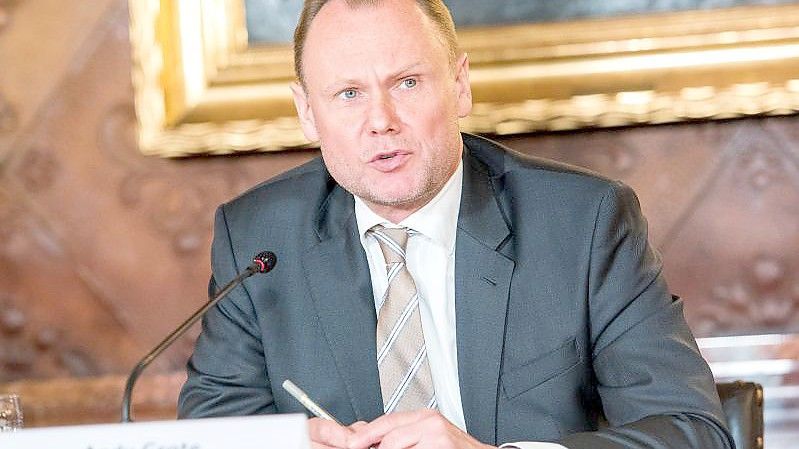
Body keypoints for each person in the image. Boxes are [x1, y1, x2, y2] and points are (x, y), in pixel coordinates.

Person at [177, 1, 734, 448]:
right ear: (306, 112)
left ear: (459, 85)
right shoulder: (259, 240)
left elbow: (690, 431)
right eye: (348, 94)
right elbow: (210, 434)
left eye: (407, 83)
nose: (381, 121)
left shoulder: (582, 224)